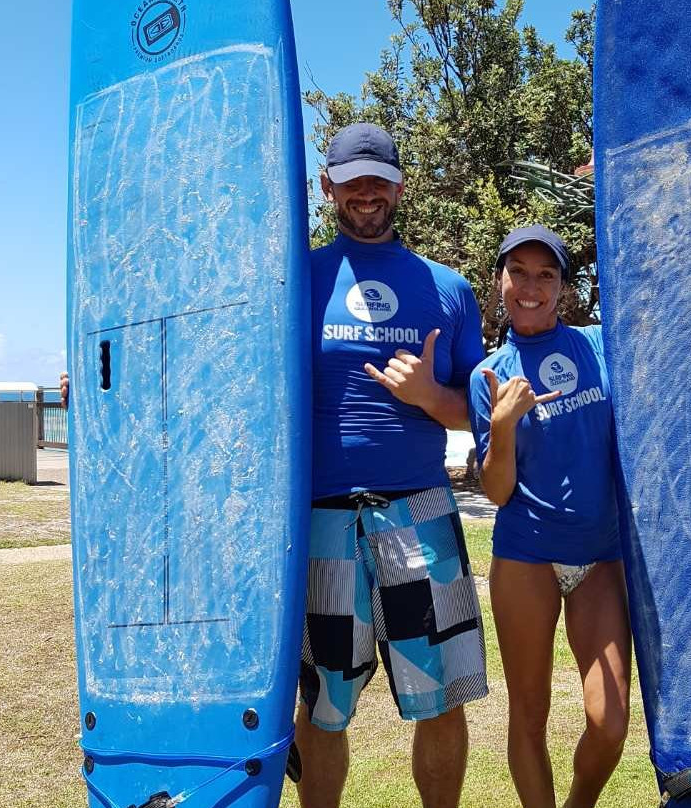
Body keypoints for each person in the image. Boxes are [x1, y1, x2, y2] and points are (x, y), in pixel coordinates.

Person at [296, 122, 488, 808]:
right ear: (328, 188)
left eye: (378, 179)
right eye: (352, 183)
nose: (366, 194)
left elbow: (482, 408)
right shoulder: (299, 278)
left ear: (400, 185)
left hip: (421, 513)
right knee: (323, 708)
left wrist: (431, 396)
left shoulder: (448, 288)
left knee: (439, 700)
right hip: (323, 519)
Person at [468, 226, 630, 808]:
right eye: (519, 272)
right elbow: (495, 489)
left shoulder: (601, 346)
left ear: (563, 286)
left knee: (611, 723)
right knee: (528, 715)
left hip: (599, 554)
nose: (531, 287)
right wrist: (502, 426)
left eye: (546, 274)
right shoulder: (489, 374)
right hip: (525, 557)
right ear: (500, 281)